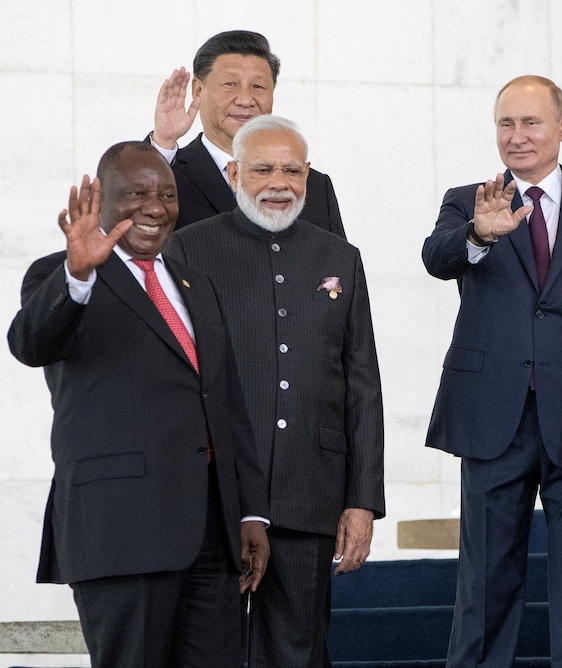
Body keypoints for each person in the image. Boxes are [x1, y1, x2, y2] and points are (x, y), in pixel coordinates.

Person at [7, 142, 271, 668]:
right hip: (120, 535)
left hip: (211, 539)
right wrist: (78, 275)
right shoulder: (60, 274)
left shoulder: (197, 284)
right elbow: (29, 344)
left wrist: (250, 512)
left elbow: (226, 405)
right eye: (138, 194)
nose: (156, 207)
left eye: (167, 194)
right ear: (102, 198)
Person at [423, 75, 562, 667]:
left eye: (531, 122)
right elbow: (436, 257)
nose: (518, 137)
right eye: (506, 124)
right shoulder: (470, 200)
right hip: (495, 417)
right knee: (485, 586)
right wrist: (478, 234)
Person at [167, 114, 385, 668]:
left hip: (309, 491)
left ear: (308, 174)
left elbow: (362, 385)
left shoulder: (340, 257)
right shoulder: (187, 251)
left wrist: (362, 500)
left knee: (299, 652)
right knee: (209, 651)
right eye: (262, 168)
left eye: (292, 169)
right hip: (216, 497)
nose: (278, 182)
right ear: (235, 172)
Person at [147, 29, 347, 236]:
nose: (245, 100)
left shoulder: (312, 185)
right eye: (230, 84)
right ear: (198, 90)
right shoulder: (170, 173)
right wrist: (163, 140)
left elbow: (339, 263)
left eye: (258, 86)